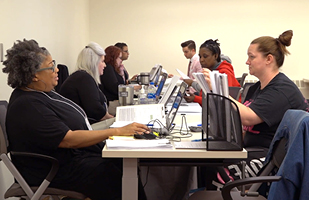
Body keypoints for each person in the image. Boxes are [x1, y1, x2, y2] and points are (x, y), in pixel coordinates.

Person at [2, 39, 149, 200]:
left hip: (67, 160)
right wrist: (116, 131)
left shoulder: (41, 93)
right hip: (51, 171)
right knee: (112, 171)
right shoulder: (28, 105)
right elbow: (68, 139)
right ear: (35, 75)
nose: (57, 69)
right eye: (51, 66)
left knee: (120, 162)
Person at [203, 30, 309, 191]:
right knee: (205, 163)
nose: (247, 61)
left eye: (251, 57)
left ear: (268, 59)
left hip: (269, 159)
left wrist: (219, 91)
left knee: (216, 169)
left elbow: (248, 118)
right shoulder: (256, 88)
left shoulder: (281, 90)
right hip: (252, 149)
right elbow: (244, 125)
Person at [59, 42, 114, 126]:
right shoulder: (83, 78)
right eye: (102, 61)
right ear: (94, 63)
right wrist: (114, 119)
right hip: (83, 128)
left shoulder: (83, 77)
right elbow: (97, 112)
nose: (105, 65)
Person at [184, 39, 240, 106]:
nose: (201, 60)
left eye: (205, 56)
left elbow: (222, 102)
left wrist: (195, 98)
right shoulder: (211, 71)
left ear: (215, 56)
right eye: (200, 56)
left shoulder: (224, 73)